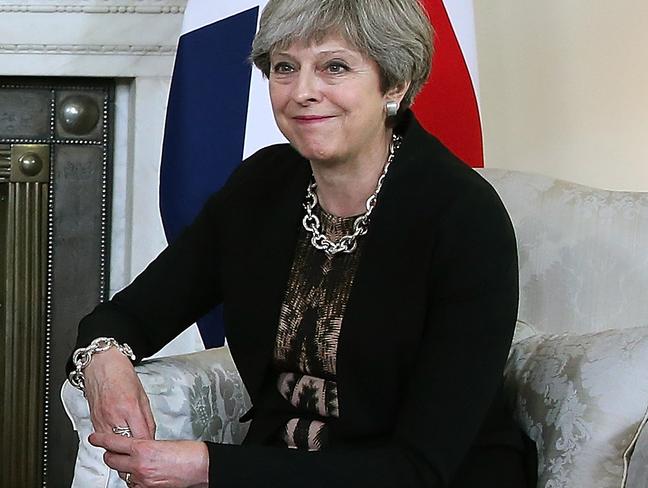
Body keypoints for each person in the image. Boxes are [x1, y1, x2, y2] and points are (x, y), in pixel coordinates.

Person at [68, 0, 536, 486]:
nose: (303, 93)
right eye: (284, 68)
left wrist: (208, 467)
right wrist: (104, 360)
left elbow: (419, 466)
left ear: (394, 84)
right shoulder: (263, 187)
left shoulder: (463, 218)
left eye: (334, 67)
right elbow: (131, 315)